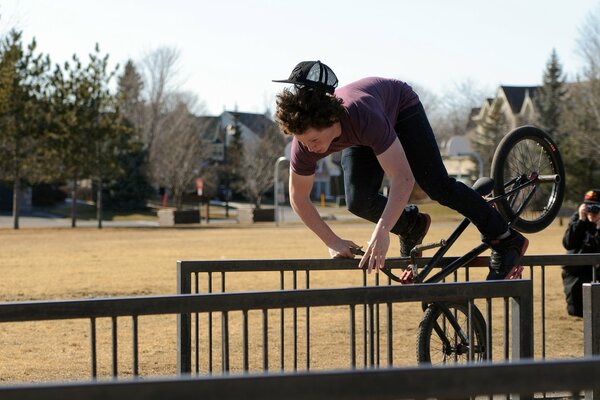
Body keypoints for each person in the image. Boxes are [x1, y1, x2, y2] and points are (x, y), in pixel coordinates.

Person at [273, 60, 528, 279]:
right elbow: (299, 199)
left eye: (314, 141)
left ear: (330, 120)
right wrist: (332, 241)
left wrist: (382, 231)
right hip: (362, 135)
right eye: (304, 142)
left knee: (436, 185)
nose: (310, 148)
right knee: (358, 201)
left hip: (399, 109)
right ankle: (411, 226)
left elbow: (403, 178)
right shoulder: (304, 144)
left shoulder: (362, 116)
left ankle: (505, 238)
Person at [561, 189, 600, 317]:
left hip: (597, 272)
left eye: (596, 206)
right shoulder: (578, 218)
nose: (592, 210)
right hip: (577, 274)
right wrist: (581, 221)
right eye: (588, 206)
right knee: (576, 311)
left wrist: (599, 227)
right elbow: (568, 243)